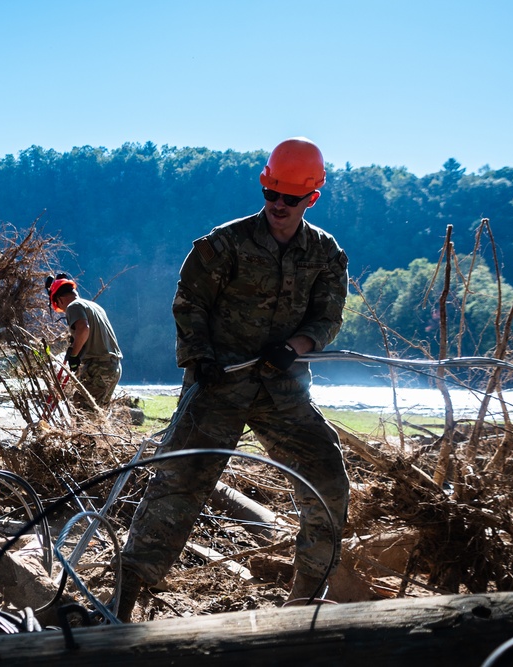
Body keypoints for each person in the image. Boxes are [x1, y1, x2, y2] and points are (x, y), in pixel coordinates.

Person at [116, 137, 350, 620]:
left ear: (312, 198)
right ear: (264, 188)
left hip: (284, 390)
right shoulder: (222, 245)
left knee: (327, 479)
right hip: (218, 387)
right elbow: (189, 305)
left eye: (291, 198)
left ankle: (306, 601)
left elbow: (327, 319)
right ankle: (122, 602)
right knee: (176, 487)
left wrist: (294, 348)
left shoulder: (327, 254)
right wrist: (199, 358)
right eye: (272, 195)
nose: (279, 206)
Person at [45, 273, 123, 407]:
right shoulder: (94, 306)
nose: (63, 311)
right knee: (97, 415)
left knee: (84, 412)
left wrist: (74, 355)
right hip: (113, 366)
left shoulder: (73, 306)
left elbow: (83, 329)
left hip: (99, 367)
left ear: (60, 300)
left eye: (60, 307)